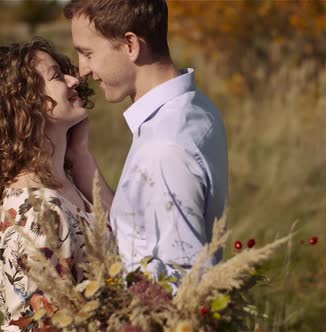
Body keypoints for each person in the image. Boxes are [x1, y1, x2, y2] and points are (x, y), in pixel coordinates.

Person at [63, 0, 229, 283]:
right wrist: (80, 157)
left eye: (88, 53)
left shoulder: (164, 147)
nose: (82, 70)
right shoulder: (190, 108)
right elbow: (139, 231)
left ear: (130, 45)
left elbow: (178, 287)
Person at [0, 38, 95, 331]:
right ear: (27, 102)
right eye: (57, 76)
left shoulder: (63, 183)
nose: (75, 80)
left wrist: (81, 152)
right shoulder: (35, 212)